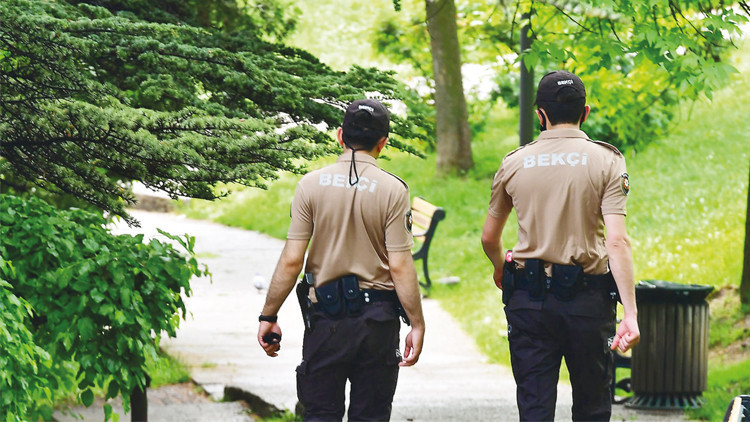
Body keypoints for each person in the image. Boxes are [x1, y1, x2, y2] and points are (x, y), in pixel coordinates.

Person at [481, 70, 640, 421]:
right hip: (588, 303)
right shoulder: (607, 160)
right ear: (585, 112)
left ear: (541, 115)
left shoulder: (514, 162)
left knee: (534, 407)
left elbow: (489, 237)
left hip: (529, 302)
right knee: (592, 406)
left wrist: (500, 268)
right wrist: (630, 313)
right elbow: (617, 240)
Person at [257, 99, 426, 422]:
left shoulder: (310, 185)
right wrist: (417, 324)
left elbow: (292, 260)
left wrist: (269, 315)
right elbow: (400, 265)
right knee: (371, 415)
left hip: (326, 320)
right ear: (382, 143)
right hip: (378, 322)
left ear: (339, 136)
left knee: (321, 414)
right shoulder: (393, 190)